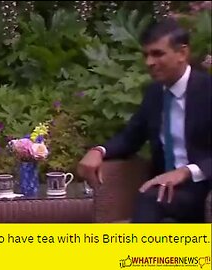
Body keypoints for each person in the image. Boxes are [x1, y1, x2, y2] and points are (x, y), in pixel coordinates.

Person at [77, 18, 212, 223]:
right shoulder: (155, 93)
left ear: (182, 53)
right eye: (146, 55)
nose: (149, 62)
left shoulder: (207, 91)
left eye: (158, 54)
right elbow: (131, 137)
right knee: (151, 198)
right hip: (166, 189)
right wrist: (99, 151)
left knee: (149, 200)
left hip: (204, 185)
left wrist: (186, 172)